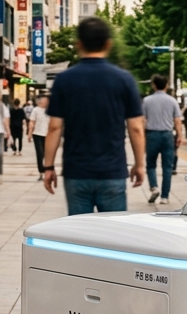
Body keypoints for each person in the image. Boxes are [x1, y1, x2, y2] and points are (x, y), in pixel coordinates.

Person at [43, 16, 145, 215]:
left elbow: (54, 127)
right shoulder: (124, 79)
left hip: (76, 172)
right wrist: (139, 164)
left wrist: (48, 166)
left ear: (78, 44)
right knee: (113, 236)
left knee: (81, 238)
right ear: (108, 44)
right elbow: (136, 127)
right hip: (113, 171)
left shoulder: (64, 80)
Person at [143, 73, 183, 205]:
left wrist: (143, 137)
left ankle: (154, 187)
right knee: (167, 167)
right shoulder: (172, 101)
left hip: (152, 135)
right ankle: (165, 197)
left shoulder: (147, 101)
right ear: (166, 85)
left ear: (154, 85)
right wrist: (180, 136)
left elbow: (143, 120)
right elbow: (177, 120)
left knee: (150, 164)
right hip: (167, 135)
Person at [28, 95, 50, 181]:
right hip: (37, 134)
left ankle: (46, 171)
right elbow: (32, 122)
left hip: (48, 135)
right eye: (45, 100)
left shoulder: (50, 110)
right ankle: (41, 172)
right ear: (40, 102)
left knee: (46, 154)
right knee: (39, 153)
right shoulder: (36, 110)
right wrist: (29, 134)